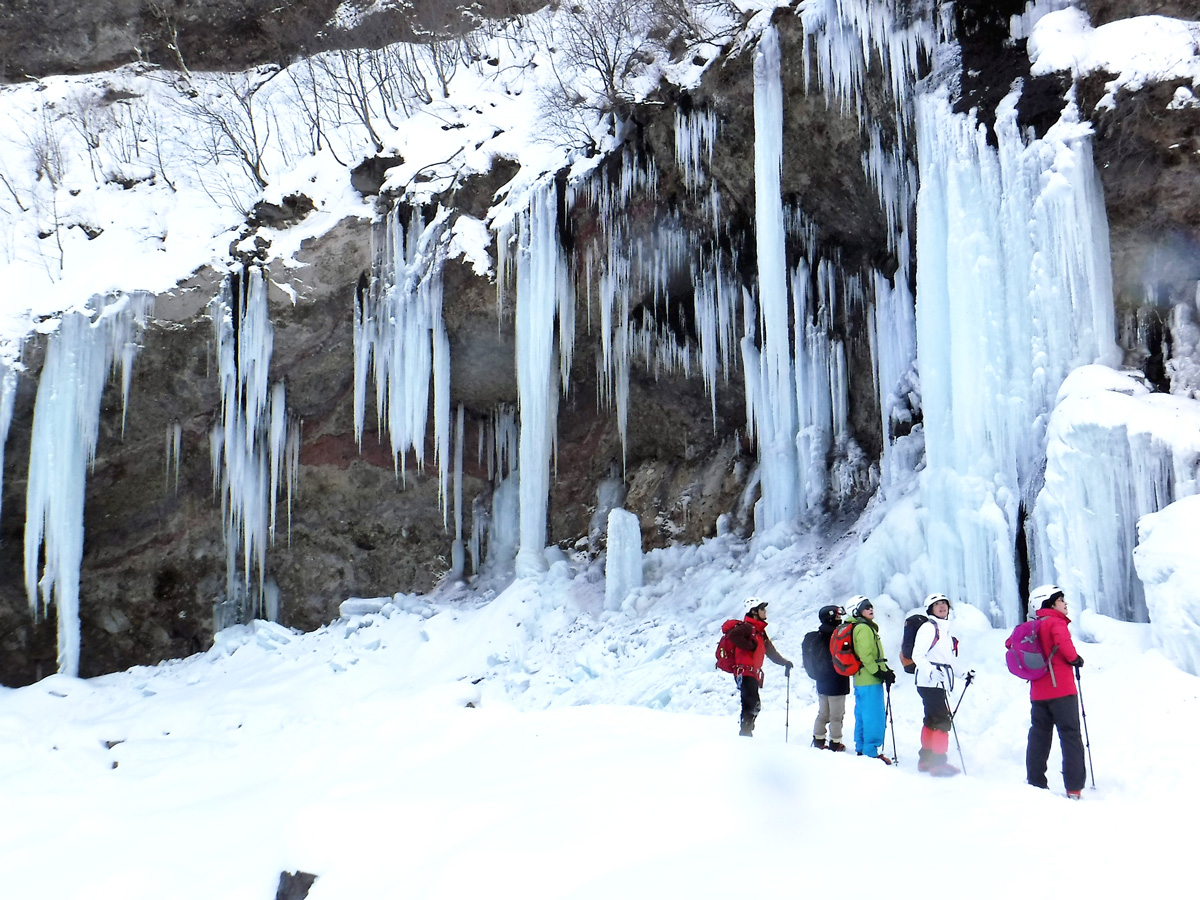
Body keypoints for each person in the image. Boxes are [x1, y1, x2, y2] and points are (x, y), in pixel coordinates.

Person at [1018, 584, 1086, 798]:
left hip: (1039, 693)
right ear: (1049, 603)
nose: (1065, 603)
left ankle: (1035, 781)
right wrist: (1076, 659)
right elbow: (1066, 648)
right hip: (1062, 691)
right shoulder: (1056, 623)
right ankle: (1074, 787)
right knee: (1070, 735)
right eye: (1060, 600)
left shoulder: (1032, 626)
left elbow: (1011, 643)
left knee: (1039, 735)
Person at [911, 592, 971, 776]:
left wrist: (964, 674)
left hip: (936, 681)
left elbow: (948, 659)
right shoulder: (928, 628)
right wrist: (931, 671)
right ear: (930, 609)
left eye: (944, 603)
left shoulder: (944, 630)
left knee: (932, 720)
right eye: (937, 604)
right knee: (942, 721)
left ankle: (926, 759)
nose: (942, 606)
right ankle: (938, 763)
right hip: (930, 682)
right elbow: (917, 655)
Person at [723, 597, 793, 736]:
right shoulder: (747, 627)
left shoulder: (759, 631)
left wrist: (784, 662)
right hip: (745, 673)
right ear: (754, 611)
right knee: (752, 704)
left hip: (751, 673)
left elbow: (770, 651)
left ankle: (746, 733)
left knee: (751, 704)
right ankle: (745, 734)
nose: (765, 611)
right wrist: (750, 645)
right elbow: (733, 636)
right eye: (762, 609)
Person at [846, 596, 895, 763]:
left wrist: (885, 670)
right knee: (874, 715)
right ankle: (871, 752)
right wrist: (879, 672)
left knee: (862, 714)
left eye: (870, 606)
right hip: (869, 678)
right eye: (866, 607)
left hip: (861, 679)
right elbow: (866, 655)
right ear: (856, 611)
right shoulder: (864, 628)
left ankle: (861, 747)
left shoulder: (858, 627)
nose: (870, 609)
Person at [801, 605, 850, 750]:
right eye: (837, 616)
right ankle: (835, 743)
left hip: (822, 681)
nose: (840, 619)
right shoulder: (836, 635)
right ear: (830, 618)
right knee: (836, 716)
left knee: (823, 713)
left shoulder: (819, 635)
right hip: (837, 681)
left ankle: (818, 739)